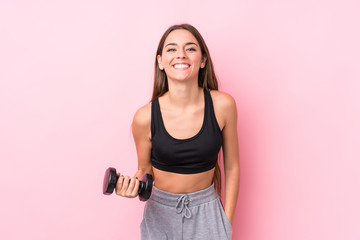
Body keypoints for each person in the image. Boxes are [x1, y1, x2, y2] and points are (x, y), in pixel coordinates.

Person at [115, 23, 240, 240]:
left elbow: (231, 167)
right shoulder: (144, 117)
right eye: (171, 49)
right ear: (160, 61)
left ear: (202, 60)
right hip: (160, 215)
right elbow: (145, 170)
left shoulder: (223, 106)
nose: (180, 55)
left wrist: (226, 222)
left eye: (190, 48)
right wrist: (131, 186)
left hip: (207, 212)